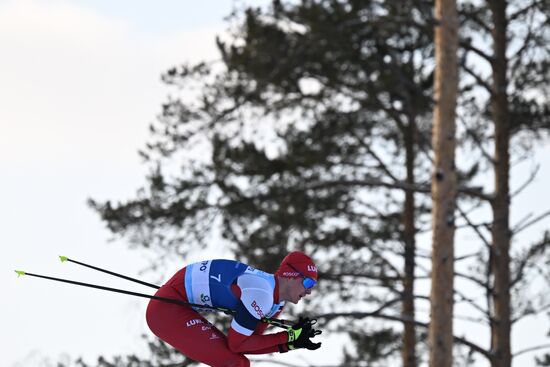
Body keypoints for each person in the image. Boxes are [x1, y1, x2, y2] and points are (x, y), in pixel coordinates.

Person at [145, 251, 322, 367]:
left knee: (238, 363)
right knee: (236, 364)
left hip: (180, 302)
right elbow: (237, 344)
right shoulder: (263, 294)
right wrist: (287, 337)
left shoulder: (276, 302)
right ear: (290, 276)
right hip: (166, 308)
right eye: (308, 282)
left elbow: (250, 343)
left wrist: (289, 344)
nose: (309, 291)